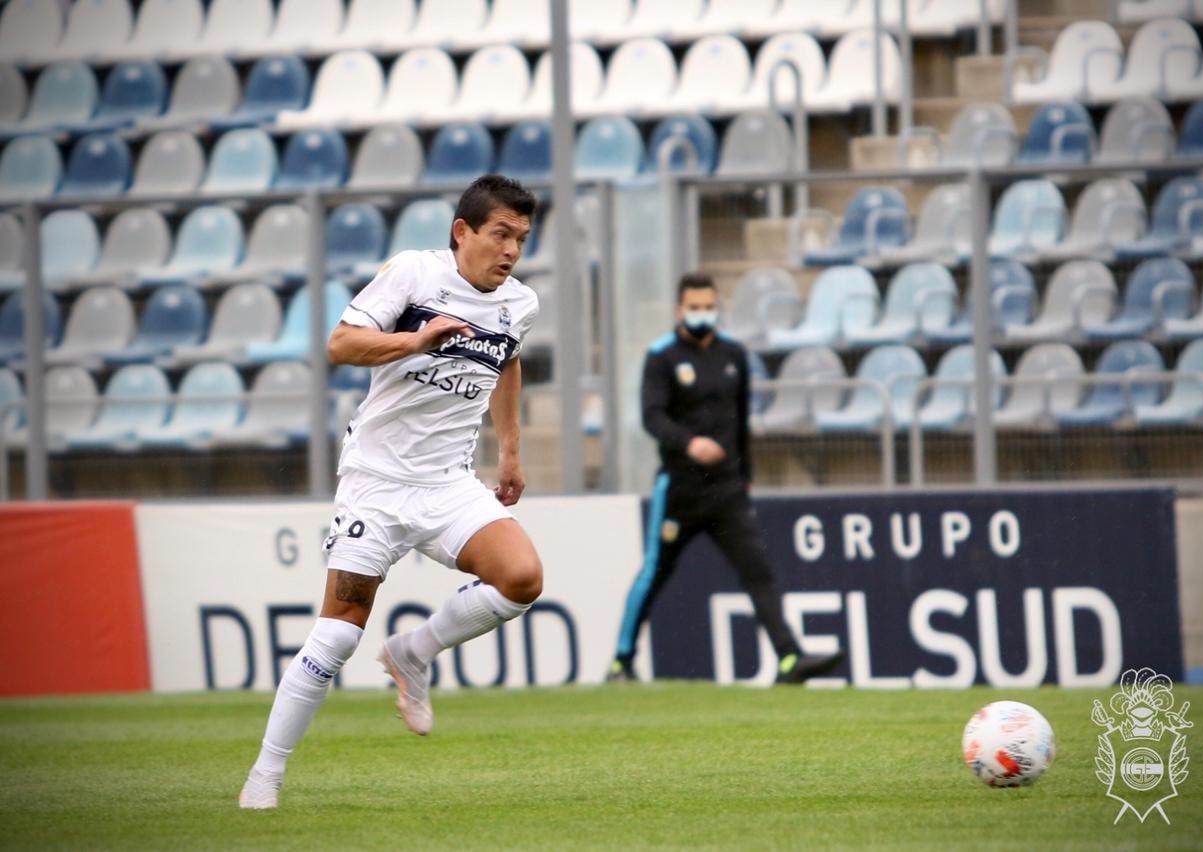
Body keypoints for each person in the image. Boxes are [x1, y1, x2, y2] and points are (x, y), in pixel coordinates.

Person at [239, 175, 541, 809]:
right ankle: (266, 775)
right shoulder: (413, 275)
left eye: (521, 238)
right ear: (463, 232)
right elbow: (341, 343)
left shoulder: (519, 303)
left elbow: (508, 358)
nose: (511, 250)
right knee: (339, 634)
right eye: (500, 235)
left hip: (447, 485)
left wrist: (509, 448)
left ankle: (413, 653)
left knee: (521, 578)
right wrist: (414, 339)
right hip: (375, 484)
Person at [608, 273, 845, 685]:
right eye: (694, 307)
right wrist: (689, 443)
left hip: (728, 489)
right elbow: (652, 416)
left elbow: (740, 422)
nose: (702, 314)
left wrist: (746, 475)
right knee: (654, 573)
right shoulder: (662, 356)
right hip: (680, 488)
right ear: (679, 311)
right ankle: (621, 661)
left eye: (708, 306)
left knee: (758, 569)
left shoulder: (733, 354)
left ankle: (789, 659)